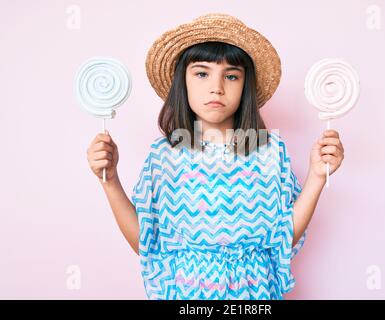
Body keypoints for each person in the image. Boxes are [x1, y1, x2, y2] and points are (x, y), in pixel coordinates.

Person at [86, 13, 345, 300]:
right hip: (185, 294)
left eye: (231, 75)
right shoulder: (164, 156)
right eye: (201, 73)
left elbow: (284, 238)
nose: (216, 87)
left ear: (245, 85)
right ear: (182, 83)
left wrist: (317, 176)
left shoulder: (269, 151)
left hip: (254, 293)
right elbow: (145, 242)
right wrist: (109, 181)